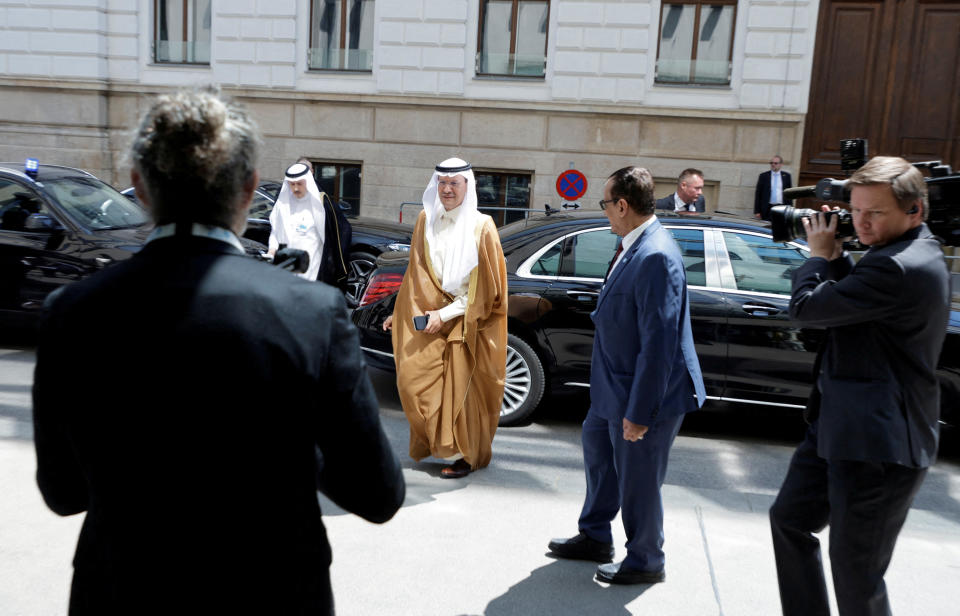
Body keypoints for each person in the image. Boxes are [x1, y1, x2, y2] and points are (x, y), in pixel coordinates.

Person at [32, 88, 405, 615]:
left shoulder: (72, 311)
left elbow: (63, 492)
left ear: (138, 186)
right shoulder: (313, 313)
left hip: (121, 591)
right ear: (251, 188)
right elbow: (377, 494)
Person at [769, 156, 949, 616]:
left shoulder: (902, 266)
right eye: (856, 210)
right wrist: (839, 257)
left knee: (856, 572)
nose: (860, 223)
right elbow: (859, 303)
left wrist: (816, 256)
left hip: (878, 446)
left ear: (915, 212)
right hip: (839, 426)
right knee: (790, 521)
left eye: (875, 213)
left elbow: (807, 310)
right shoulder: (895, 256)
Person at [548, 166, 705, 584]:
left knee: (638, 480)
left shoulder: (655, 255)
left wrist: (640, 414)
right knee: (599, 455)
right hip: (611, 387)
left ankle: (646, 560)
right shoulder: (632, 244)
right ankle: (595, 537)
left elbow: (660, 345)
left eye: (605, 204)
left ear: (622, 205)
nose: (604, 212)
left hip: (643, 395)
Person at [382, 157, 507, 479]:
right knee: (413, 383)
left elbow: (488, 290)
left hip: (468, 319)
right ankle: (436, 444)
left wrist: (446, 313)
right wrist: (399, 311)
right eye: (442, 182)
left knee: (463, 391)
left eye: (455, 183)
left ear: (468, 186)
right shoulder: (426, 219)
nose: (447, 189)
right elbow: (415, 272)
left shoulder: (483, 227)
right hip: (427, 315)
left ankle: (467, 454)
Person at [268, 159, 352, 290]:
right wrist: (272, 251)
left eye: (299, 184)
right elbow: (276, 231)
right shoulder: (282, 203)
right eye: (292, 184)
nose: (295, 188)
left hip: (313, 269)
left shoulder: (321, 203)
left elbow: (336, 234)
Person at [754, 155, 793, 220]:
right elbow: (758, 194)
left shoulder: (786, 176)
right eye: (771, 163)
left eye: (775, 163)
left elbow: (789, 194)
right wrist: (757, 211)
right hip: (767, 208)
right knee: (766, 227)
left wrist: (790, 210)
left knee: (779, 227)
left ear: (781, 164)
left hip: (781, 208)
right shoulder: (764, 176)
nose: (773, 165)